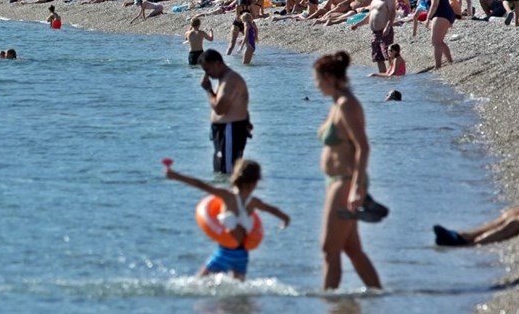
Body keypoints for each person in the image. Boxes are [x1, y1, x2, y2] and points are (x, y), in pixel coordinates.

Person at [313, 51, 383, 291]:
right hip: (336, 181)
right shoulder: (337, 103)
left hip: (346, 182)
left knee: (328, 249)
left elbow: (363, 147)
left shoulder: (347, 104)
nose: (316, 84)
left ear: (330, 78)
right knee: (351, 248)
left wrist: (356, 188)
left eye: (318, 79)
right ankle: (378, 297)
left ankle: (328, 302)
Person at [162, 159, 291, 280]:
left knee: (198, 282)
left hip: (225, 253)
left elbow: (200, 184)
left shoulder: (227, 196)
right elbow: (272, 209)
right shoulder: (254, 202)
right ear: (255, 182)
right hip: (242, 256)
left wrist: (175, 176)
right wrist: (285, 219)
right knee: (239, 296)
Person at [199, 49, 252, 175]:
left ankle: (230, 194)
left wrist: (208, 90)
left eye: (207, 69)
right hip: (227, 130)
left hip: (230, 130)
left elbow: (220, 109)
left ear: (217, 64)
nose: (207, 74)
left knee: (227, 173)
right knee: (221, 172)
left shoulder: (230, 80)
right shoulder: (224, 80)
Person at [351, 0, 396, 74]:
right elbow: (370, 16)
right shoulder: (374, 1)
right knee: (378, 57)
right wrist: (358, 24)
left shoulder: (388, 0)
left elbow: (392, 14)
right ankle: (383, 75)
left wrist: (388, 27)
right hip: (375, 33)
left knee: (388, 55)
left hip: (384, 31)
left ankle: (393, 74)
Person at [425, 0, 456, 68]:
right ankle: (450, 61)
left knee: (435, 42)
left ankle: (437, 65)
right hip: (447, 14)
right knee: (439, 41)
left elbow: (434, 4)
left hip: (440, 14)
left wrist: (428, 18)